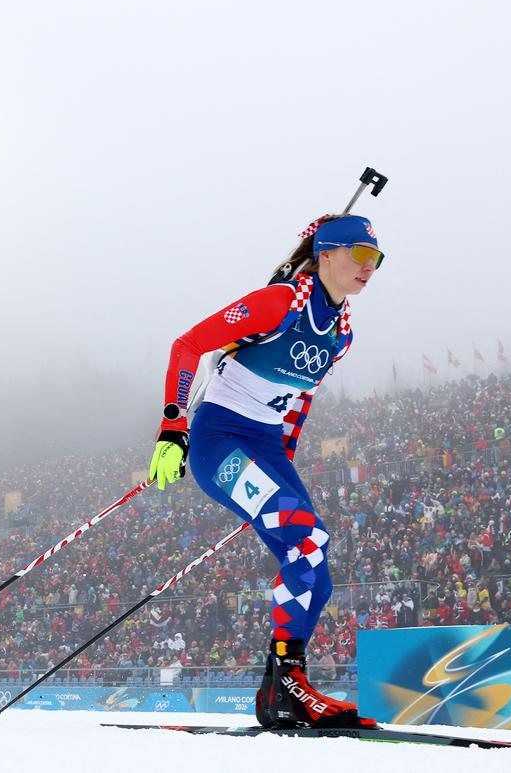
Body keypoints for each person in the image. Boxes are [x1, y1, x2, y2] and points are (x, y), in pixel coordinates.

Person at [148, 213, 383, 730]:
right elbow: (188, 346)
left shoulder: (341, 334)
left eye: (377, 259)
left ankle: (280, 688)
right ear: (326, 254)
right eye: (361, 256)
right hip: (218, 439)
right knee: (305, 540)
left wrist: (284, 455)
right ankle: (288, 687)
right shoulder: (280, 301)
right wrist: (172, 428)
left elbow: (301, 398)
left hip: (266, 447)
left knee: (315, 566)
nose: (371, 267)